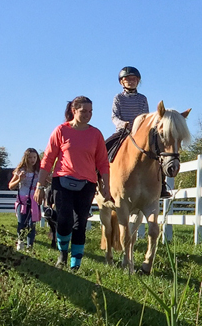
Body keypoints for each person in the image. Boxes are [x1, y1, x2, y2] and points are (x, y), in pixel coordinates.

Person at [36, 96, 112, 270]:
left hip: (87, 184)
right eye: (84, 111)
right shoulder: (61, 131)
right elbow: (48, 159)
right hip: (62, 181)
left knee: (80, 224)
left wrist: (107, 185)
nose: (88, 115)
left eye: (90, 111)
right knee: (64, 220)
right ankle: (63, 254)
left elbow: (102, 162)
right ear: (73, 110)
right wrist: (40, 186)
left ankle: (75, 264)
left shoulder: (96, 134)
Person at [106, 66, 170, 199]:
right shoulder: (118, 98)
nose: (131, 81)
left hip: (139, 131)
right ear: (122, 82)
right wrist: (122, 124)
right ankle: (99, 180)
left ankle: (162, 185)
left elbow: (145, 116)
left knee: (158, 153)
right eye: (128, 79)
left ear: (138, 81)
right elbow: (114, 116)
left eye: (134, 79)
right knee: (106, 147)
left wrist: (140, 127)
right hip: (123, 131)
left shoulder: (142, 98)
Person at [8, 147, 42, 251]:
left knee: (32, 224)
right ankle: (20, 242)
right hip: (22, 200)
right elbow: (10, 186)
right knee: (21, 222)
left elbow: (45, 182)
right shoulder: (20, 171)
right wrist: (19, 179)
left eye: (35, 157)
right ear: (25, 158)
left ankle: (29, 246)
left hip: (34, 200)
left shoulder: (39, 171)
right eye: (30, 157)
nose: (33, 160)